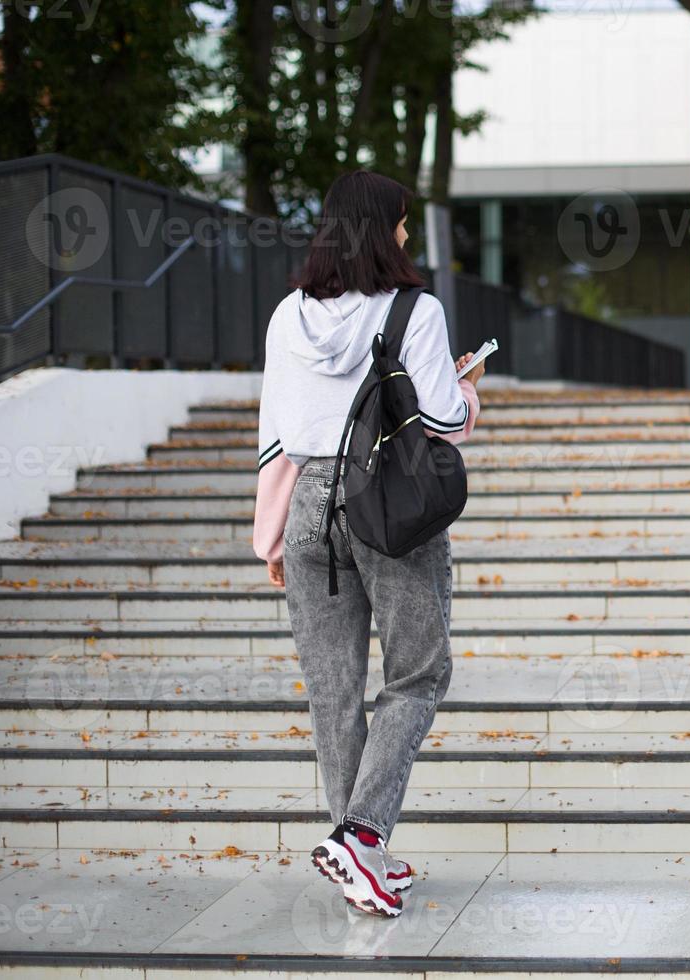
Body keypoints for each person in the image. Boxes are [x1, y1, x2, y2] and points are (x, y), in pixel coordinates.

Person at [251, 170, 485, 918]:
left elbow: (276, 434)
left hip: (309, 505)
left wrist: (271, 537)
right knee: (418, 675)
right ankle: (360, 834)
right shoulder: (416, 310)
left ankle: (361, 855)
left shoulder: (288, 315)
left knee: (333, 689)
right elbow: (444, 425)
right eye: (405, 223)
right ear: (384, 230)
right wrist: (464, 388)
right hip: (387, 504)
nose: (409, 235)